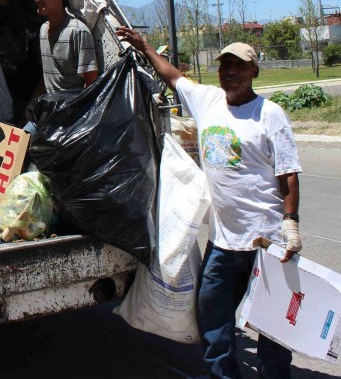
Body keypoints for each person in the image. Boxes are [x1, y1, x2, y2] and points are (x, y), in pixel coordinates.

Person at [115, 26, 303, 379]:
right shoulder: (208, 101)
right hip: (223, 241)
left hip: (267, 240)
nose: (230, 73)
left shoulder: (270, 114)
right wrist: (143, 47)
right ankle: (223, 375)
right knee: (212, 314)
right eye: (225, 66)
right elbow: (172, 76)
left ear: (254, 71)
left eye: (239, 67)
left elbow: (288, 173)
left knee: (272, 325)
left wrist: (291, 223)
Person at [22, 0, 98, 131]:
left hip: (70, 118)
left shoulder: (78, 32)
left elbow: (91, 85)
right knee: (20, 143)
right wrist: (29, 111)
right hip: (46, 112)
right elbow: (47, 78)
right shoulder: (43, 30)